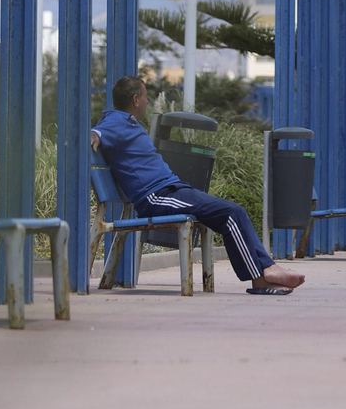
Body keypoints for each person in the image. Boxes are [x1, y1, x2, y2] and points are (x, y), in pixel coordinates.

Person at [91, 76, 306, 295]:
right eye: (146, 97)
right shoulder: (116, 121)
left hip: (171, 189)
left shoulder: (125, 122)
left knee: (233, 212)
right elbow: (98, 132)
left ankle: (267, 270)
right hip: (155, 196)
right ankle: (262, 277)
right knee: (231, 213)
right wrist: (95, 136)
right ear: (136, 99)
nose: (148, 102)